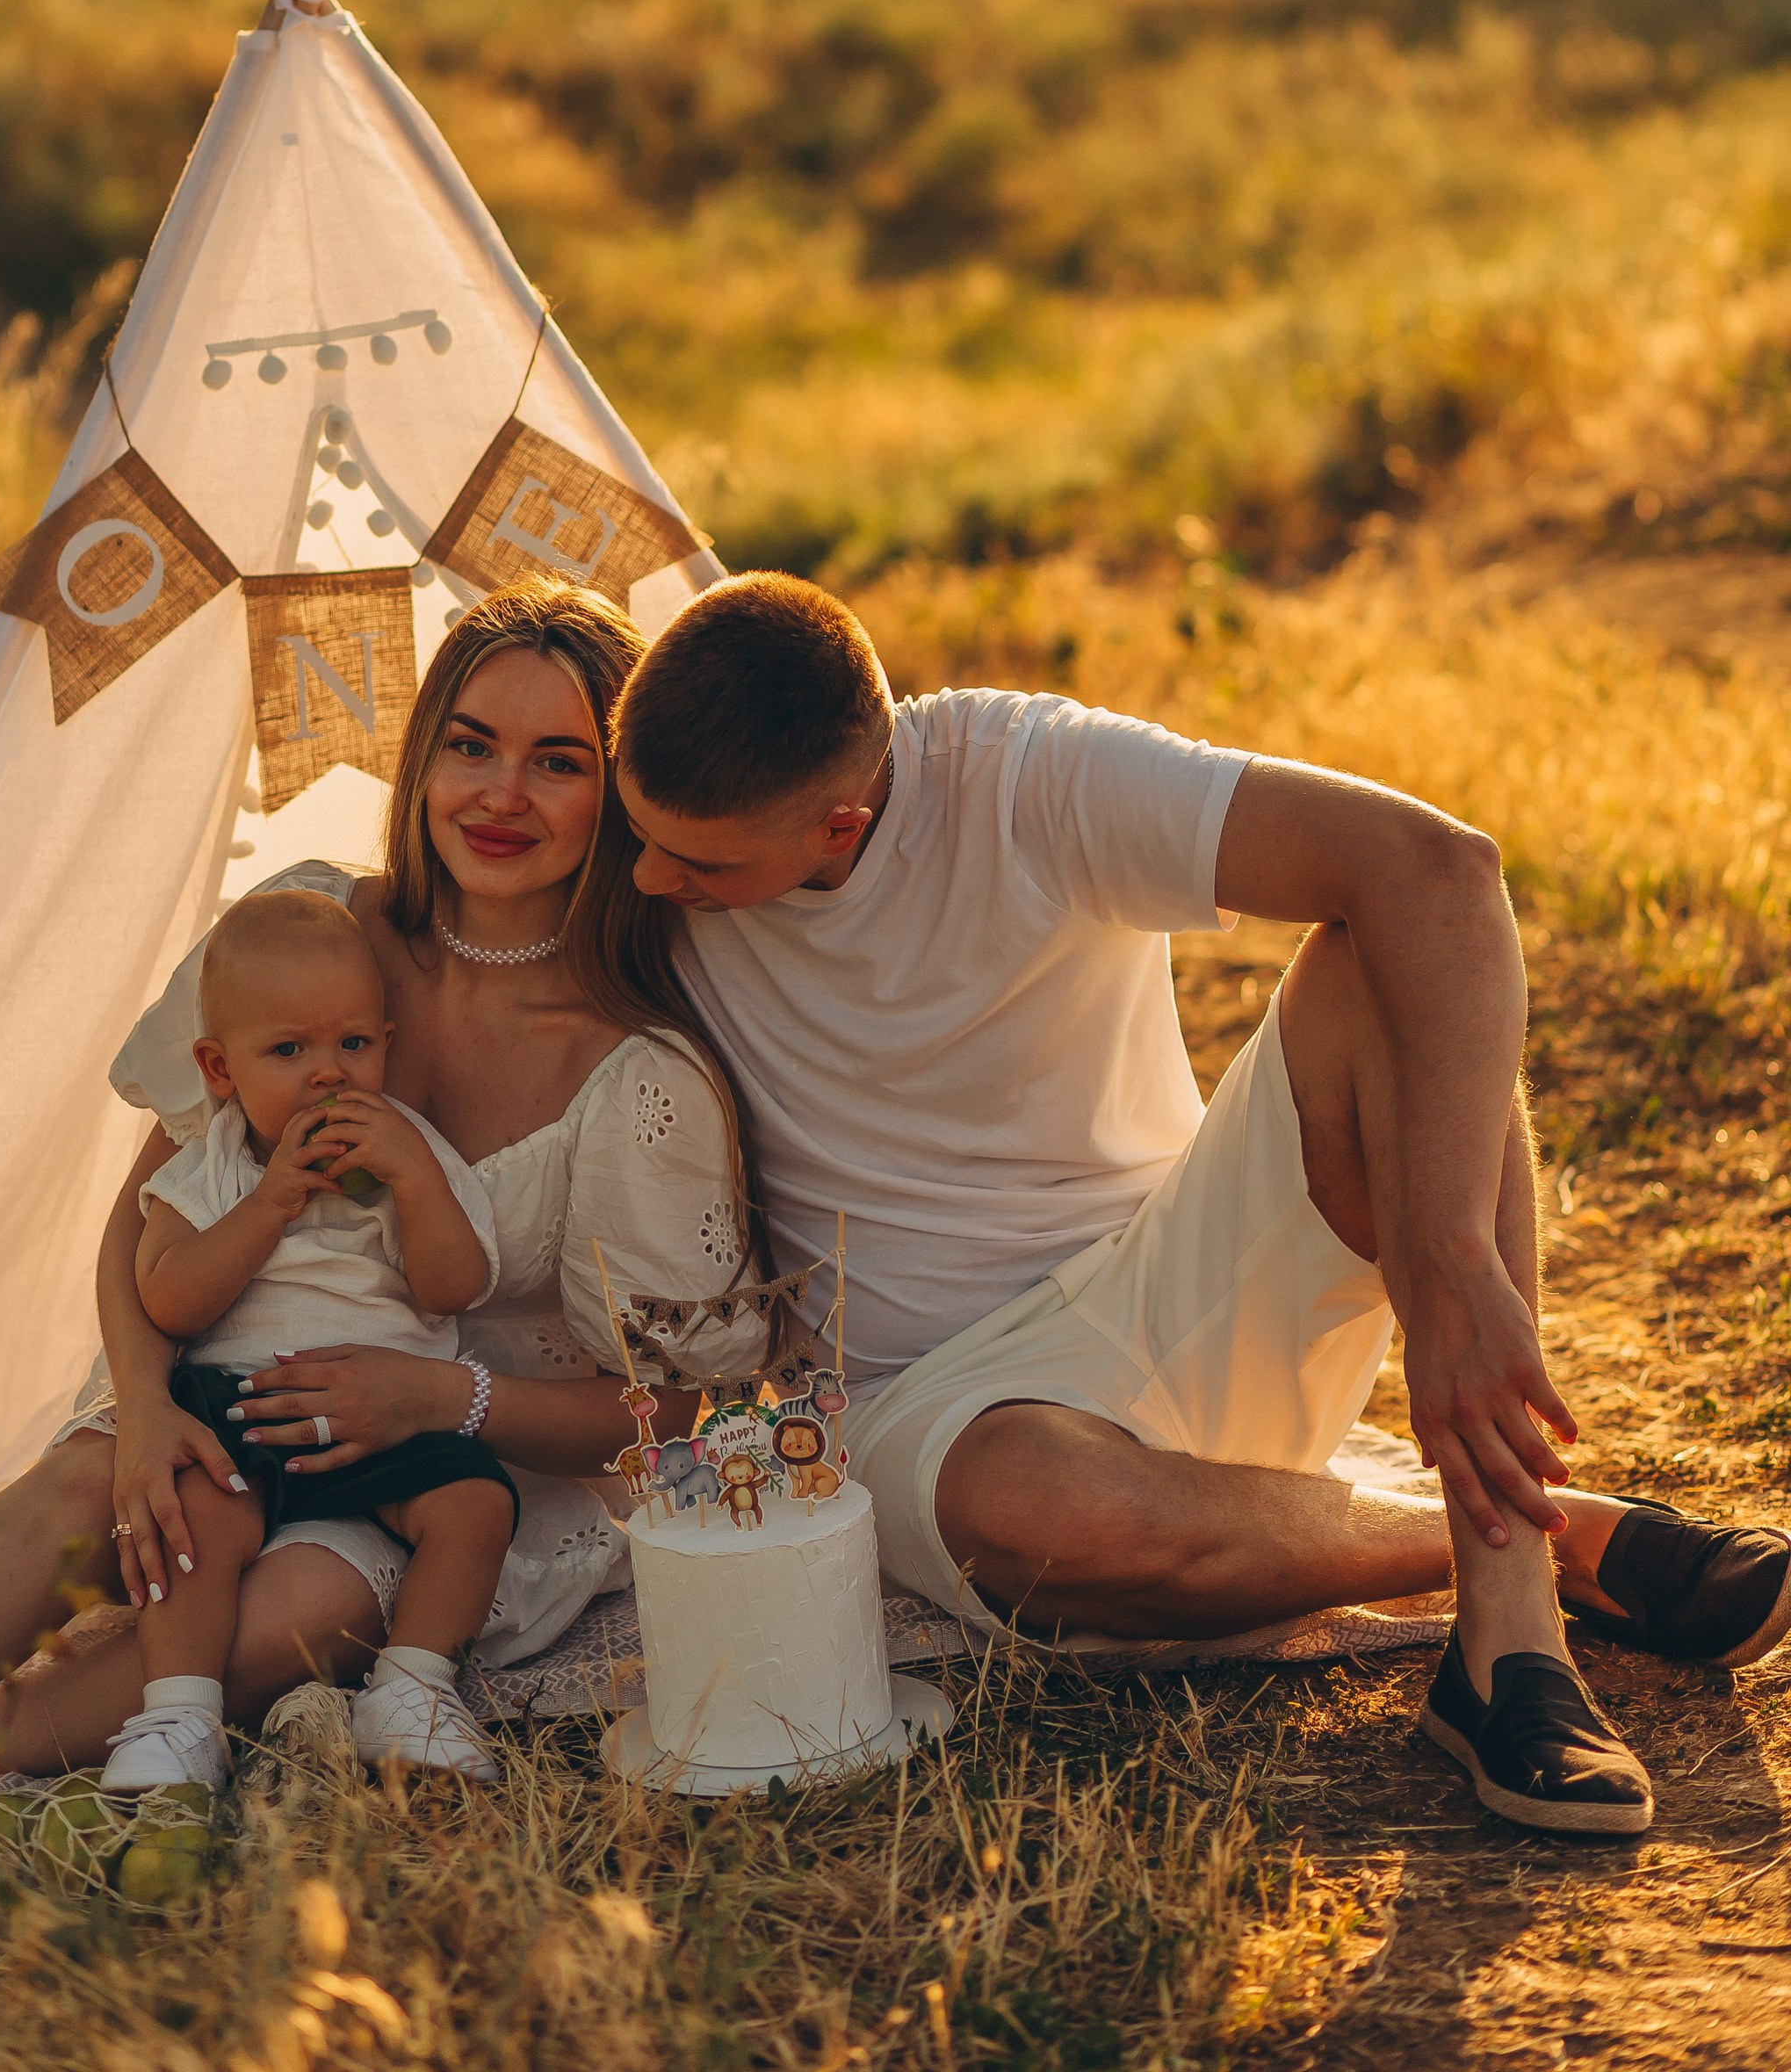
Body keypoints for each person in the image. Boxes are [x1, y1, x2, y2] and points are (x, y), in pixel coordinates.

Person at [612, 572, 1791, 1843]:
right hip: (934, 1408)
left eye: (696, 860)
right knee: (1049, 1518)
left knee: (1383, 960)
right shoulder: (645, 863)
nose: (645, 875)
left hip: (1177, 1281)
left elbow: (1439, 868)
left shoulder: (1024, 775)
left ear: (839, 828)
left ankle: (1509, 1648)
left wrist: (1450, 1268)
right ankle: (1558, 1534)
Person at [0, 581, 762, 1887]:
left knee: (296, 1609)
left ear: (617, 793)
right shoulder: (309, 936)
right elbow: (141, 1221)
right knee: (103, 1486)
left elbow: (666, 1413)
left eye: (558, 762)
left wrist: (445, 1393)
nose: (499, 795)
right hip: (220, 1382)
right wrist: (141, 1408)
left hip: (449, 1471)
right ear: (424, 758)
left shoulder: (632, 1071)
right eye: (470, 744)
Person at [106, 888, 518, 1790]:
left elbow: (454, 1286)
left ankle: (412, 1688)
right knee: (192, 1518)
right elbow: (168, 1297)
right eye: (288, 1051)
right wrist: (271, 1203)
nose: (327, 1074)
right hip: (239, 1410)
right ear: (221, 1069)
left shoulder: (402, 1153)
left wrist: (410, 1180)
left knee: (476, 1508)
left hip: (382, 1417)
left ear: (386, 1045)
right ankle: (178, 1714)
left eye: (353, 1046)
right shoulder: (216, 1164)